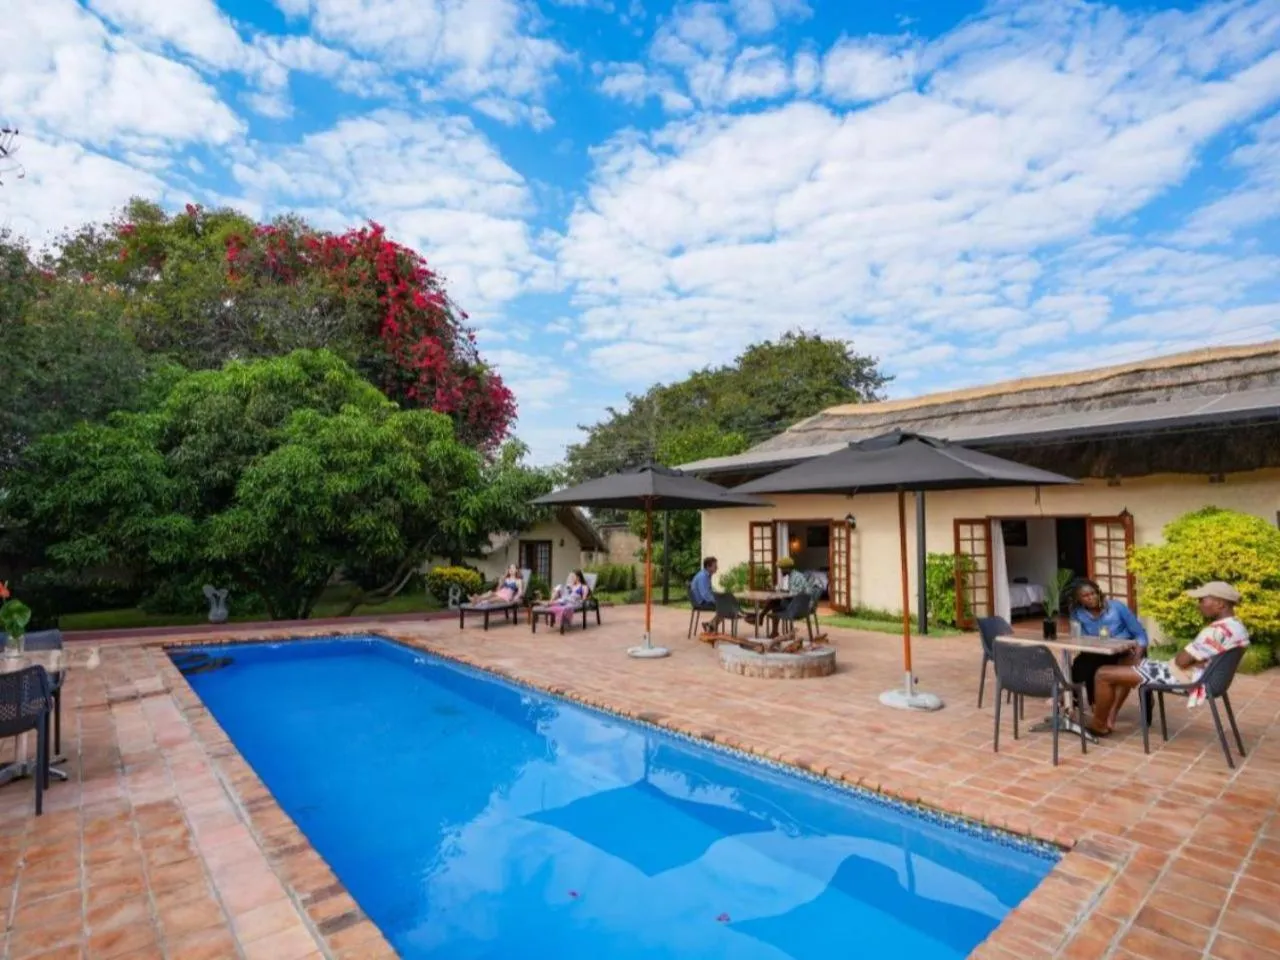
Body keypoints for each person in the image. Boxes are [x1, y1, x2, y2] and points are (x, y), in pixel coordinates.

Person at [1087, 582, 1249, 736]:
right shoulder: (1236, 626)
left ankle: (1098, 726)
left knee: (1103, 674)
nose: (1198, 604)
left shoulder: (1215, 632)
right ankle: (1111, 715)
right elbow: (1192, 658)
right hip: (1200, 675)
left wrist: (1191, 658)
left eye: (1202, 600)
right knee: (1125, 661)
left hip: (1187, 678)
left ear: (1220, 604)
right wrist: (1195, 659)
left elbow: (1180, 661)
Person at [1068, 578, 1148, 707]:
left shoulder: (1116, 607)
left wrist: (1136, 657)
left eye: (1093, 593)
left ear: (1098, 593)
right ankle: (1081, 702)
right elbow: (1080, 638)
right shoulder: (1077, 613)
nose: (1090, 598)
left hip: (1125, 650)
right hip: (1100, 651)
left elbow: (1140, 634)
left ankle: (1100, 707)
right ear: (1079, 600)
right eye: (1085, 596)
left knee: (1095, 666)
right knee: (1079, 665)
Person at [689, 557, 720, 632]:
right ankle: (711, 625)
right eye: (715, 566)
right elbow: (705, 595)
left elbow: (709, 591)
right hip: (701, 602)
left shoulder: (706, 575)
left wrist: (717, 597)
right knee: (724, 606)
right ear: (708, 567)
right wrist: (716, 601)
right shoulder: (703, 576)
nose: (717, 568)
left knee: (724, 605)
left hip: (701, 601)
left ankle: (710, 625)